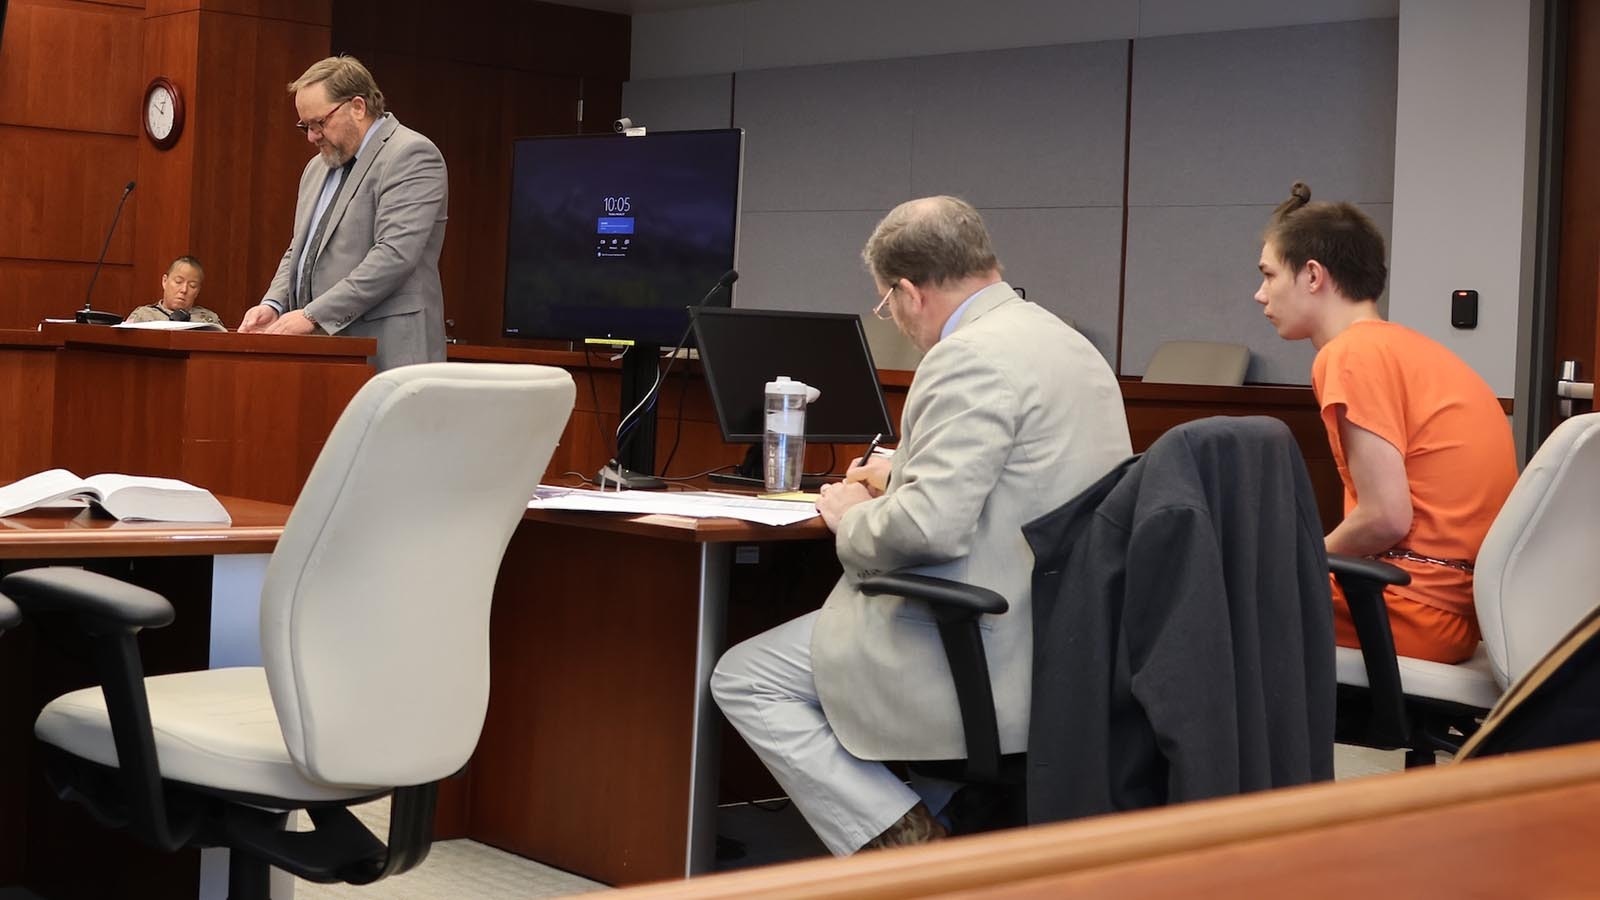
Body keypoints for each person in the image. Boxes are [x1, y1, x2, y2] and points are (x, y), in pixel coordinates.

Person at [711, 196, 1132, 854]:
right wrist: (904, 468)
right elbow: (1026, 472)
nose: (895, 318)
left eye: (886, 303)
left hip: (979, 644)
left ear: (908, 291)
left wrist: (852, 518)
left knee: (746, 676)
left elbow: (928, 532)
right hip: (1060, 640)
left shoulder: (964, 357)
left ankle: (915, 849)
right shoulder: (1063, 340)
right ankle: (951, 825)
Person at [1254, 182, 1517, 663]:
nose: (1259, 294)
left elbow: (1386, 517)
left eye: (1269, 275)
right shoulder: (1410, 350)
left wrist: (1301, 561)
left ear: (1313, 276)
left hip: (1406, 608)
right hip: (1448, 609)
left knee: (1207, 594)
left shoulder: (1350, 356)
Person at [238, 55, 447, 371]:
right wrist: (274, 303)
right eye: (304, 126)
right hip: (324, 356)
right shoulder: (316, 168)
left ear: (358, 107)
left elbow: (393, 256)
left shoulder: (411, 155)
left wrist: (312, 315)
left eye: (319, 123)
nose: (312, 136)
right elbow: (300, 249)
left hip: (390, 353)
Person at [123, 256, 223, 325]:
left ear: (197, 291)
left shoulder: (208, 319)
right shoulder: (143, 316)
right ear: (165, 281)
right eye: (178, 282)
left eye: (192, 286)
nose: (184, 290)